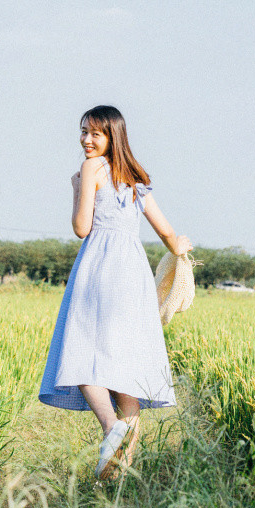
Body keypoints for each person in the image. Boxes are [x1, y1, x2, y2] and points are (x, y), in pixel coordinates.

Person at [38, 105, 192, 480]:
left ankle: (111, 427)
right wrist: (182, 251)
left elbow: (81, 227)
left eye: (95, 134)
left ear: (112, 137)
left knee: (81, 350)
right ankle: (119, 471)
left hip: (100, 266)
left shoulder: (92, 169)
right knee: (127, 361)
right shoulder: (136, 177)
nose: (86, 140)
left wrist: (77, 189)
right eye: (84, 132)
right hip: (133, 273)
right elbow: (168, 234)